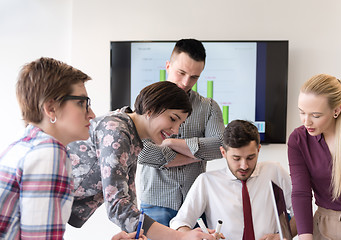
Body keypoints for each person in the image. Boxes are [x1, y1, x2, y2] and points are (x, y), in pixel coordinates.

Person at [67, 81, 216, 240]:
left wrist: (137, 233)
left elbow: (127, 198)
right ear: (151, 109)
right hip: (48, 203)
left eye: (180, 124)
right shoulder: (117, 131)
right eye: (173, 119)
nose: (176, 130)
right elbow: (117, 205)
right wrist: (180, 237)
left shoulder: (131, 135)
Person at [0, 57, 96, 239]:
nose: (91, 114)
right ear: (51, 108)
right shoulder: (48, 152)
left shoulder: (22, 146)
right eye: (82, 103)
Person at [138, 38, 225, 227]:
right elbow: (144, 152)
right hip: (155, 204)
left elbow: (220, 147)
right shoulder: (146, 101)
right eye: (181, 73)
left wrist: (169, 144)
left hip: (195, 205)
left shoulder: (208, 107)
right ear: (168, 66)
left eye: (194, 77)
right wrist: (198, 155)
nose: (186, 82)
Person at [169, 119, 297, 240]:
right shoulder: (207, 182)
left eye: (250, 157)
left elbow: (301, 211)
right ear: (223, 153)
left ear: (258, 150)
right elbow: (179, 222)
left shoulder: (274, 171)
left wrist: (282, 236)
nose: (244, 166)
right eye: (236, 158)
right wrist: (195, 236)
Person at [288, 73, 341, 240]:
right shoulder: (298, 140)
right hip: (323, 227)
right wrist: (305, 237)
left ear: (337, 110)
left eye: (316, 115)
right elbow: (301, 193)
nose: (306, 122)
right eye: (302, 112)